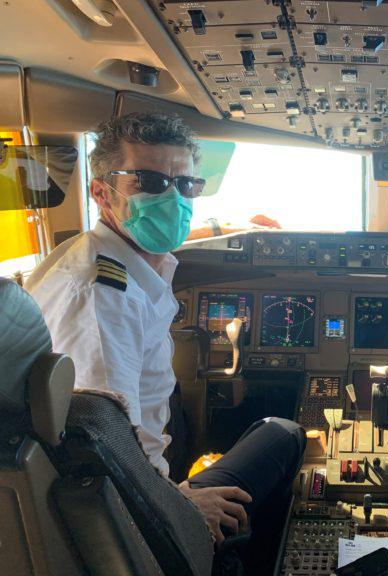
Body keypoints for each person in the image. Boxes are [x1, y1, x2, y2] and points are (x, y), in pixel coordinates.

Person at [25, 112, 305, 546]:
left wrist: (223, 226)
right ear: (102, 192)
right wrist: (181, 502)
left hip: (148, 481)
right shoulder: (101, 298)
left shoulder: (113, 258)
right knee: (283, 433)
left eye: (186, 185)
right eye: (151, 183)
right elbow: (100, 449)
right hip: (141, 510)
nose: (173, 200)